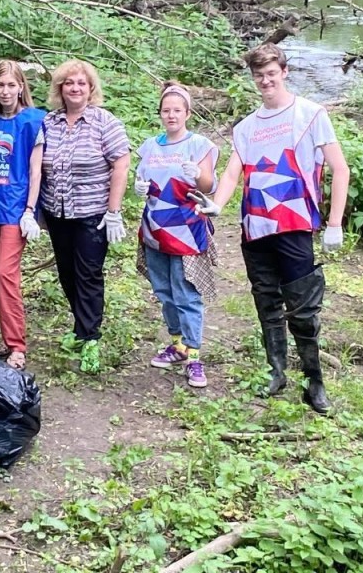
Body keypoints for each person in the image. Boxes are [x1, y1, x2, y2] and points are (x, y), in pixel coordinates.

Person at [191, 43, 350, 414]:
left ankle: (314, 382)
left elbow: (339, 168)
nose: (266, 81)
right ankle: (276, 372)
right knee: (266, 300)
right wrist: (219, 203)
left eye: (271, 73)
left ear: (284, 72)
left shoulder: (311, 114)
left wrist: (335, 222)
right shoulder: (246, 127)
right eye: (259, 75)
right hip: (255, 227)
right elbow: (235, 170)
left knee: (304, 305)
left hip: (295, 224)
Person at [40, 59, 131, 373]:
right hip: (57, 211)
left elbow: (121, 163)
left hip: (92, 213)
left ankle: (90, 338)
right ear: (60, 89)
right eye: (69, 83)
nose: (75, 88)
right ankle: (81, 328)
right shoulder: (48, 122)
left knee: (88, 273)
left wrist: (114, 210)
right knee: (66, 272)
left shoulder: (104, 122)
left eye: (81, 83)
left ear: (91, 89)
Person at [135, 82, 219, 388]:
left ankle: (195, 356)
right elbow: (142, 180)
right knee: (164, 290)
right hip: (154, 229)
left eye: (177, 110)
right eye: (166, 110)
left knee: (186, 292)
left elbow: (209, 187)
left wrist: (198, 175)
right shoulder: (149, 146)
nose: (171, 115)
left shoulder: (200, 145)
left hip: (186, 230)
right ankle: (178, 344)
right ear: (160, 113)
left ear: (187, 113)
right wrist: (138, 188)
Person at [0, 61, 46, 370]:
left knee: (6, 274)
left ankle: (17, 345)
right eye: (0, 85)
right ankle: (8, 338)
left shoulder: (33, 121)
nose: (5, 91)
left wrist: (30, 210)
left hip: (15, 210)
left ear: (21, 87)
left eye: (11, 85)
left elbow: (35, 169)